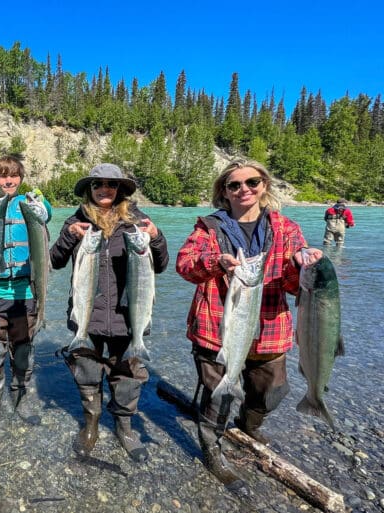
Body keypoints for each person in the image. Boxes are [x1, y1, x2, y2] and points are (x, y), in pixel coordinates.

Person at [176, 159, 323, 494]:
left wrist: (301, 265)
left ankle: (248, 425)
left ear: (264, 186)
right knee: (218, 397)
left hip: (270, 332)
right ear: (224, 192)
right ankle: (213, 448)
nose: (244, 190)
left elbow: (291, 286)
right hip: (215, 329)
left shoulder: (286, 229)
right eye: (234, 185)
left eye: (252, 182)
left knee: (272, 392)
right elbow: (185, 266)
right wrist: (215, 263)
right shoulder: (208, 228)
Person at [49, 163, 169, 462]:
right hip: (87, 318)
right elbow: (55, 260)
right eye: (98, 184)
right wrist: (69, 237)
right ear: (89, 190)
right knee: (87, 374)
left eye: (111, 185)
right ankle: (90, 425)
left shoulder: (139, 222)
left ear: (120, 190)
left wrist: (155, 237)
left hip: (128, 319)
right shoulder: (76, 221)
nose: (105, 189)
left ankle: (124, 428)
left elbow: (163, 264)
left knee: (128, 376)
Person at [0, 155, 52, 427]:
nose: (8, 180)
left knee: (23, 352)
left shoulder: (30, 203)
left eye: (14, 175)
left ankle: (21, 396)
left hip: (24, 296)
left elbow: (47, 212)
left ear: (21, 178)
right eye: (3, 175)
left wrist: (39, 201)